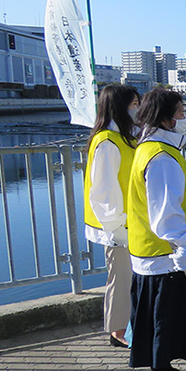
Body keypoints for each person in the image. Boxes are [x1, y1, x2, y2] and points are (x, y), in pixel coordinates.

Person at [127, 88, 186, 371]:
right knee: (166, 316)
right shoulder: (161, 156)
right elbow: (166, 209)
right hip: (167, 255)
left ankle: (163, 369)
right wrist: (181, 245)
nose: (184, 117)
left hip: (153, 252)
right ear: (165, 118)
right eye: (180, 112)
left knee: (160, 316)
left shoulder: (149, 148)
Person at [84, 84, 139, 348]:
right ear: (120, 107)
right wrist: (117, 226)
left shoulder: (125, 137)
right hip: (118, 225)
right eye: (134, 104)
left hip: (131, 222)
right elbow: (103, 191)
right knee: (120, 277)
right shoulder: (107, 141)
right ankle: (118, 332)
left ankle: (128, 326)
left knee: (128, 276)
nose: (138, 109)